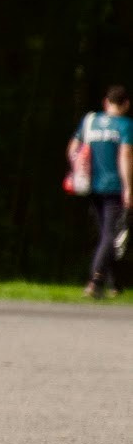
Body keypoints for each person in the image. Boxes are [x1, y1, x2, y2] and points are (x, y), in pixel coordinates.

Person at [67, 86, 133, 299]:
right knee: (110, 235)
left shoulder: (90, 121)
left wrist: (78, 172)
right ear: (126, 104)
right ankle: (95, 281)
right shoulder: (125, 125)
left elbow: (73, 148)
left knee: (106, 233)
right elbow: (125, 156)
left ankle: (115, 285)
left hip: (90, 185)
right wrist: (128, 187)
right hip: (113, 187)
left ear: (106, 102)